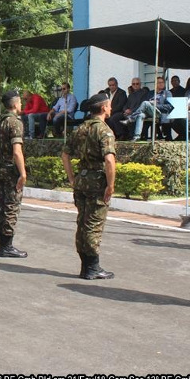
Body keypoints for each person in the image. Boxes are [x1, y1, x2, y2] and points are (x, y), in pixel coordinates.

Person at [61, 93, 116, 279]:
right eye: (108, 105)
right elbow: (109, 160)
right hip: (96, 182)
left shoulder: (80, 129)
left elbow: (65, 154)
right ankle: (93, 268)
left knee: (82, 223)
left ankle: (86, 266)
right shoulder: (104, 131)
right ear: (103, 108)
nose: (110, 108)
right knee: (93, 224)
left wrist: (71, 178)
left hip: (81, 180)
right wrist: (111, 184)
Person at [0, 90, 28, 258]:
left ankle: (1, 245)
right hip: (11, 169)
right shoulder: (15, 123)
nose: (21, 105)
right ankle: (7, 246)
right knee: (11, 206)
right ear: (15, 104)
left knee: (0, 205)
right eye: (20, 102)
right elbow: (17, 151)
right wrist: (23, 173)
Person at [125, 76, 173, 141]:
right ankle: (137, 136)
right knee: (140, 115)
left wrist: (156, 105)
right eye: (159, 82)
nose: (161, 84)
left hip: (159, 113)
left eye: (162, 82)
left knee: (145, 103)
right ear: (155, 84)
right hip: (149, 112)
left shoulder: (167, 93)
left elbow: (169, 106)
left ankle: (131, 118)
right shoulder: (150, 93)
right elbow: (143, 104)